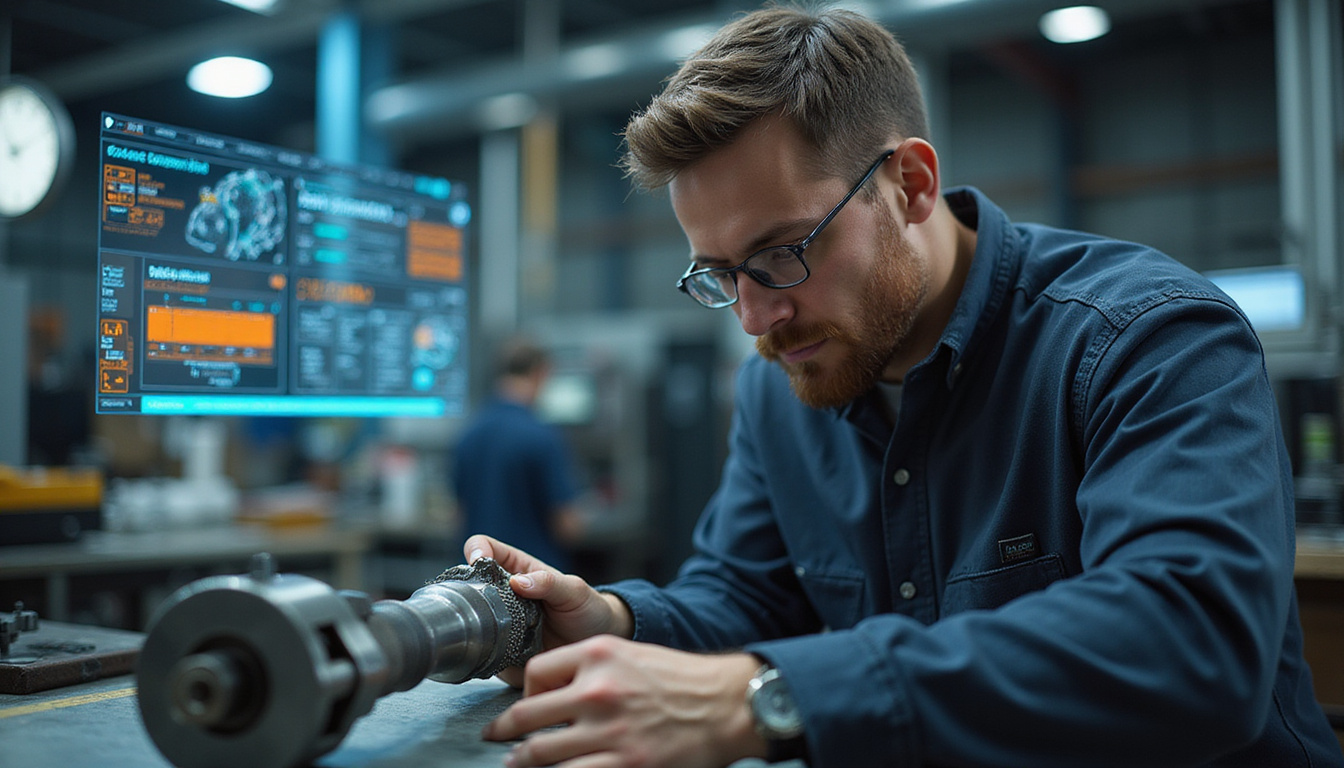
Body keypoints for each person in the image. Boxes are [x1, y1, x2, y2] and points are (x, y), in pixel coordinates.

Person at [467, 6, 1344, 768]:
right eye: (722, 274)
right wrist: (613, 619)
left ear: (911, 185)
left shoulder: (1144, 337)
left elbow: (1192, 645)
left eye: (782, 252)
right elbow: (747, 594)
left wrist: (766, 698)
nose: (756, 317)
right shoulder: (783, 383)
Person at [452, 337, 584, 573]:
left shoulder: (468, 434)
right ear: (540, 373)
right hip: (532, 579)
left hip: (479, 578)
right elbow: (567, 526)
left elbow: (458, 514)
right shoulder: (542, 436)